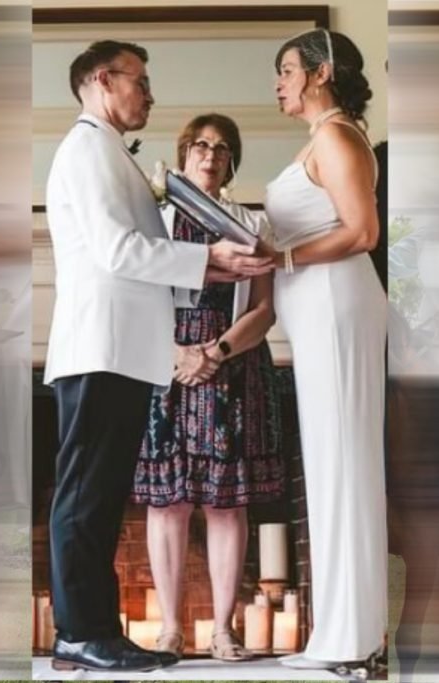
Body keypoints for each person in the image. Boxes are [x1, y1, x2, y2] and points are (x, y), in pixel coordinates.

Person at [43, 41, 273, 673]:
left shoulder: (109, 151)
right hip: (99, 346)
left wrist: (220, 269)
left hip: (123, 350)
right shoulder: (88, 148)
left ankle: (95, 632)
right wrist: (210, 260)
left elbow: (135, 253)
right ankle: (78, 633)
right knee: (85, 494)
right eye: (140, 82)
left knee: (102, 495)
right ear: (100, 80)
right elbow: (118, 250)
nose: (149, 95)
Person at [131, 114, 285, 661]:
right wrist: (176, 354)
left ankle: (222, 630)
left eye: (223, 148)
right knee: (167, 504)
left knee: (226, 504)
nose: (211, 154)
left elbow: (265, 311)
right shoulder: (154, 220)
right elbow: (133, 297)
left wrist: (213, 354)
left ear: (231, 161)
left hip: (233, 364)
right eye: (201, 144)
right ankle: (170, 630)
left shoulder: (251, 223)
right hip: (164, 365)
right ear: (183, 152)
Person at [262, 28, 387, 669]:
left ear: (321, 72)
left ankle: (349, 637)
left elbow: (362, 230)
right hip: (318, 317)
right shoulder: (321, 139)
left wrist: (281, 254)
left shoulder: (337, 137)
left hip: (338, 312)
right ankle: (343, 633)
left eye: (287, 69)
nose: (279, 81)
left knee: (343, 464)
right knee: (332, 464)